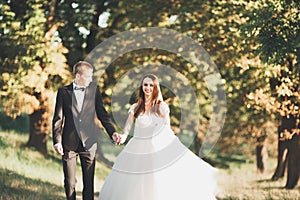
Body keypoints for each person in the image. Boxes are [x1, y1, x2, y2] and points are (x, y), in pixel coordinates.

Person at [98, 74, 218, 200]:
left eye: (151, 85)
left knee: (155, 179)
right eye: (145, 85)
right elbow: (128, 128)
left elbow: (167, 128)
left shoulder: (162, 107)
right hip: (137, 147)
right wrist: (122, 137)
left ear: (155, 87)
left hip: (155, 147)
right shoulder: (136, 107)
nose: (148, 88)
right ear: (141, 87)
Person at [52, 61, 120, 200]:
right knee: (69, 183)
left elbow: (102, 114)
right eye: (88, 76)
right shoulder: (64, 92)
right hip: (69, 144)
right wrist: (57, 141)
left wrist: (112, 132)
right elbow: (58, 118)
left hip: (89, 144)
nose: (91, 79)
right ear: (78, 76)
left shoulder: (94, 91)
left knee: (89, 183)